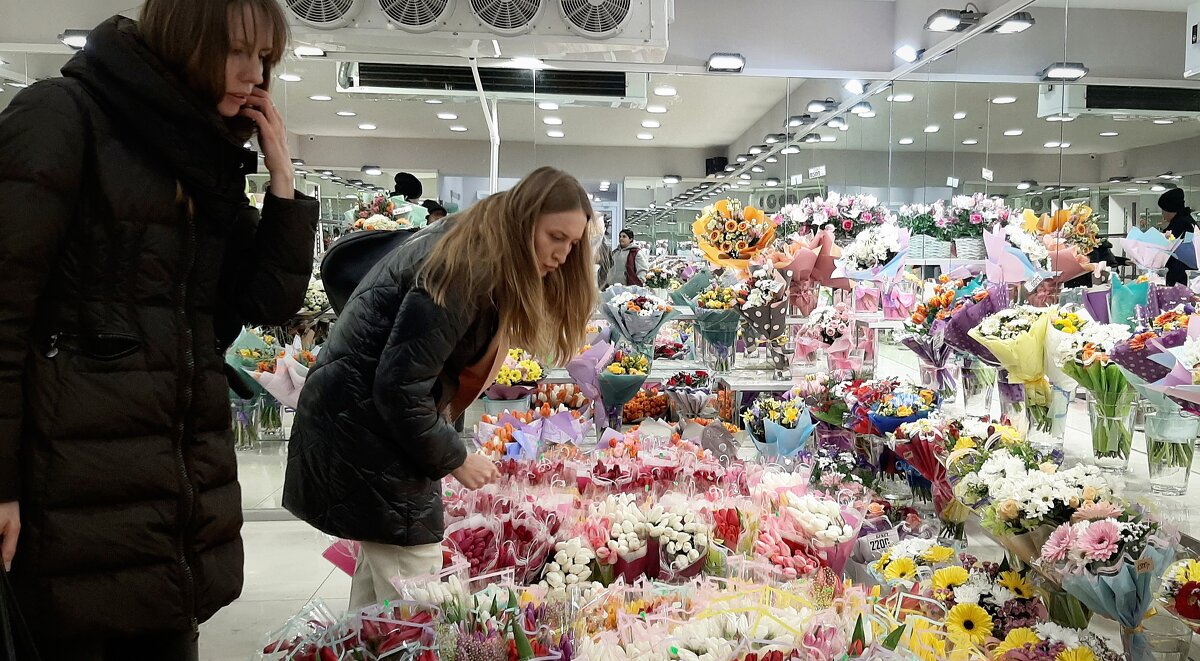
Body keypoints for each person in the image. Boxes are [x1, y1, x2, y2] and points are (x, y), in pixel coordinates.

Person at [0, 1, 317, 658]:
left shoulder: (201, 158)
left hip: (169, 519)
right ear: (186, 37)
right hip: (69, 510)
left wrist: (283, 178)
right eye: (236, 50)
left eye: (264, 58)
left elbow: (266, 296)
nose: (252, 73)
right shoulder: (64, 117)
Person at [283, 167, 598, 609]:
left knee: (378, 611)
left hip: (366, 436)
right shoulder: (466, 269)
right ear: (524, 219)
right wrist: (456, 457)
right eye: (555, 237)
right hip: (371, 443)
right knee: (423, 607)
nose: (563, 255)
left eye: (572, 244)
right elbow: (398, 387)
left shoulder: (473, 244)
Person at [1161, 187, 1195, 286]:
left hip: (1179, 274)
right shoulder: (1189, 222)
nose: (1163, 214)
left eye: (1163, 211)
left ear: (1169, 210)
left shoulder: (1180, 224)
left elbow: (1176, 248)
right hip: (1185, 273)